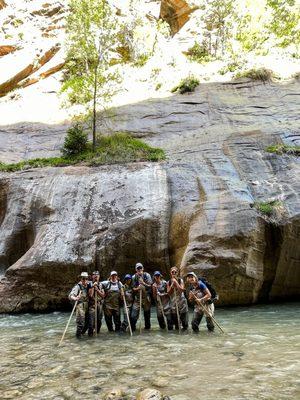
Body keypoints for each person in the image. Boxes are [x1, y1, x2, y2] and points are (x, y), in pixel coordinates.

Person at [131, 263, 152, 331]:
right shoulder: (134, 277)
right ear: (136, 270)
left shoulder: (147, 275)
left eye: (140, 268)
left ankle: (147, 331)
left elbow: (150, 286)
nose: (139, 270)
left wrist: (143, 283)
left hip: (146, 298)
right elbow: (133, 289)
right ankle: (133, 329)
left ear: (143, 268)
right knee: (133, 316)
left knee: (147, 316)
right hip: (138, 298)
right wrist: (138, 288)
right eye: (138, 268)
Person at [68, 272, 90, 338]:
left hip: (87, 305)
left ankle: (82, 334)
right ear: (81, 279)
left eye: (86, 278)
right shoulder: (77, 287)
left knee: (88, 322)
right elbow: (70, 295)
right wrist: (75, 298)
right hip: (80, 305)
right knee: (81, 322)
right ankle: (78, 337)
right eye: (83, 278)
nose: (85, 280)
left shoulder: (88, 285)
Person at [167, 266, 188, 331]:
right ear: (170, 273)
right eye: (172, 272)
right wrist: (172, 285)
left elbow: (182, 290)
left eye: (175, 272)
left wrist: (176, 283)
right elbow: (168, 293)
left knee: (184, 321)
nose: (174, 273)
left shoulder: (180, 280)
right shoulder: (169, 282)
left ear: (177, 273)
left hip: (182, 302)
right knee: (176, 322)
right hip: (174, 303)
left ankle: (185, 334)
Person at [87, 271, 105, 336]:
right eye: (94, 275)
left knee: (99, 322)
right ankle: (90, 337)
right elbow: (90, 295)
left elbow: (103, 295)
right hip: (92, 305)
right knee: (91, 323)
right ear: (92, 277)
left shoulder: (101, 285)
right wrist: (93, 287)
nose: (96, 277)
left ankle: (97, 335)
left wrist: (97, 290)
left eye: (97, 276)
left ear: (99, 277)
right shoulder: (89, 284)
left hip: (99, 304)